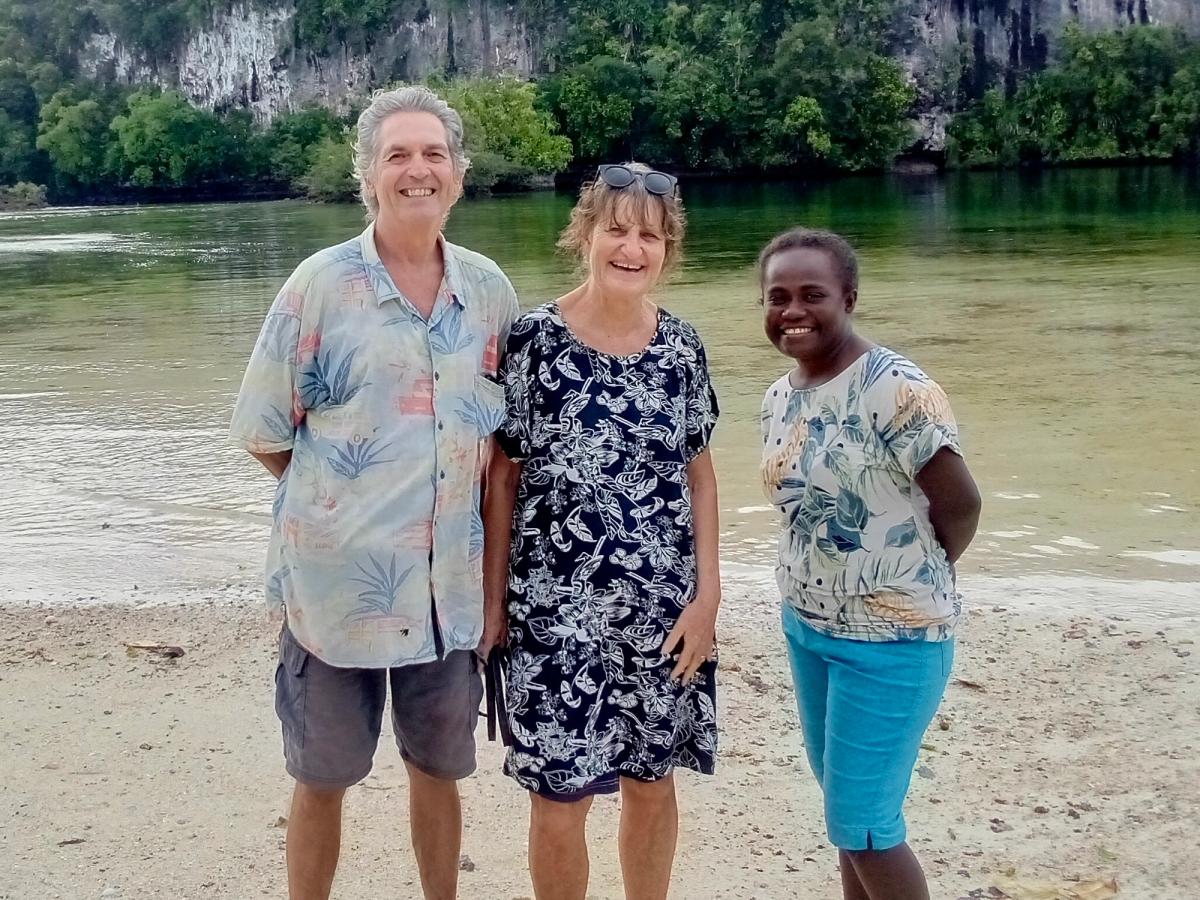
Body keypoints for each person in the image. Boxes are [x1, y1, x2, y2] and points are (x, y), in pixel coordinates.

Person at [228, 85, 518, 900]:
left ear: (458, 176)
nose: (417, 171)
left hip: (447, 594)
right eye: (398, 155)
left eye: (433, 155)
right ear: (368, 177)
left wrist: (494, 592)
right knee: (324, 775)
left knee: (439, 770)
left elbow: (501, 451)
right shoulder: (319, 286)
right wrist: (342, 503)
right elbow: (263, 430)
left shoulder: (488, 292)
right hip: (333, 597)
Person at [482, 163, 721, 900]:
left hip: (661, 610)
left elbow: (700, 474)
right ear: (584, 234)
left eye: (649, 235)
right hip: (552, 613)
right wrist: (494, 607)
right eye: (616, 229)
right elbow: (502, 477)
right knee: (560, 795)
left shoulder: (681, 347)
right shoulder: (533, 339)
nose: (631, 247)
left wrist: (707, 600)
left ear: (667, 249)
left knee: (653, 782)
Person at [758, 228, 981, 900]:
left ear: (848, 298)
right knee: (849, 818)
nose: (793, 310)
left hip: (893, 641)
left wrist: (915, 575)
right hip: (810, 630)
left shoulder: (896, 388)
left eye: (812, 295)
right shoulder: (779, 396)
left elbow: (961, 504)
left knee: (864, 823)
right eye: (778, 297)